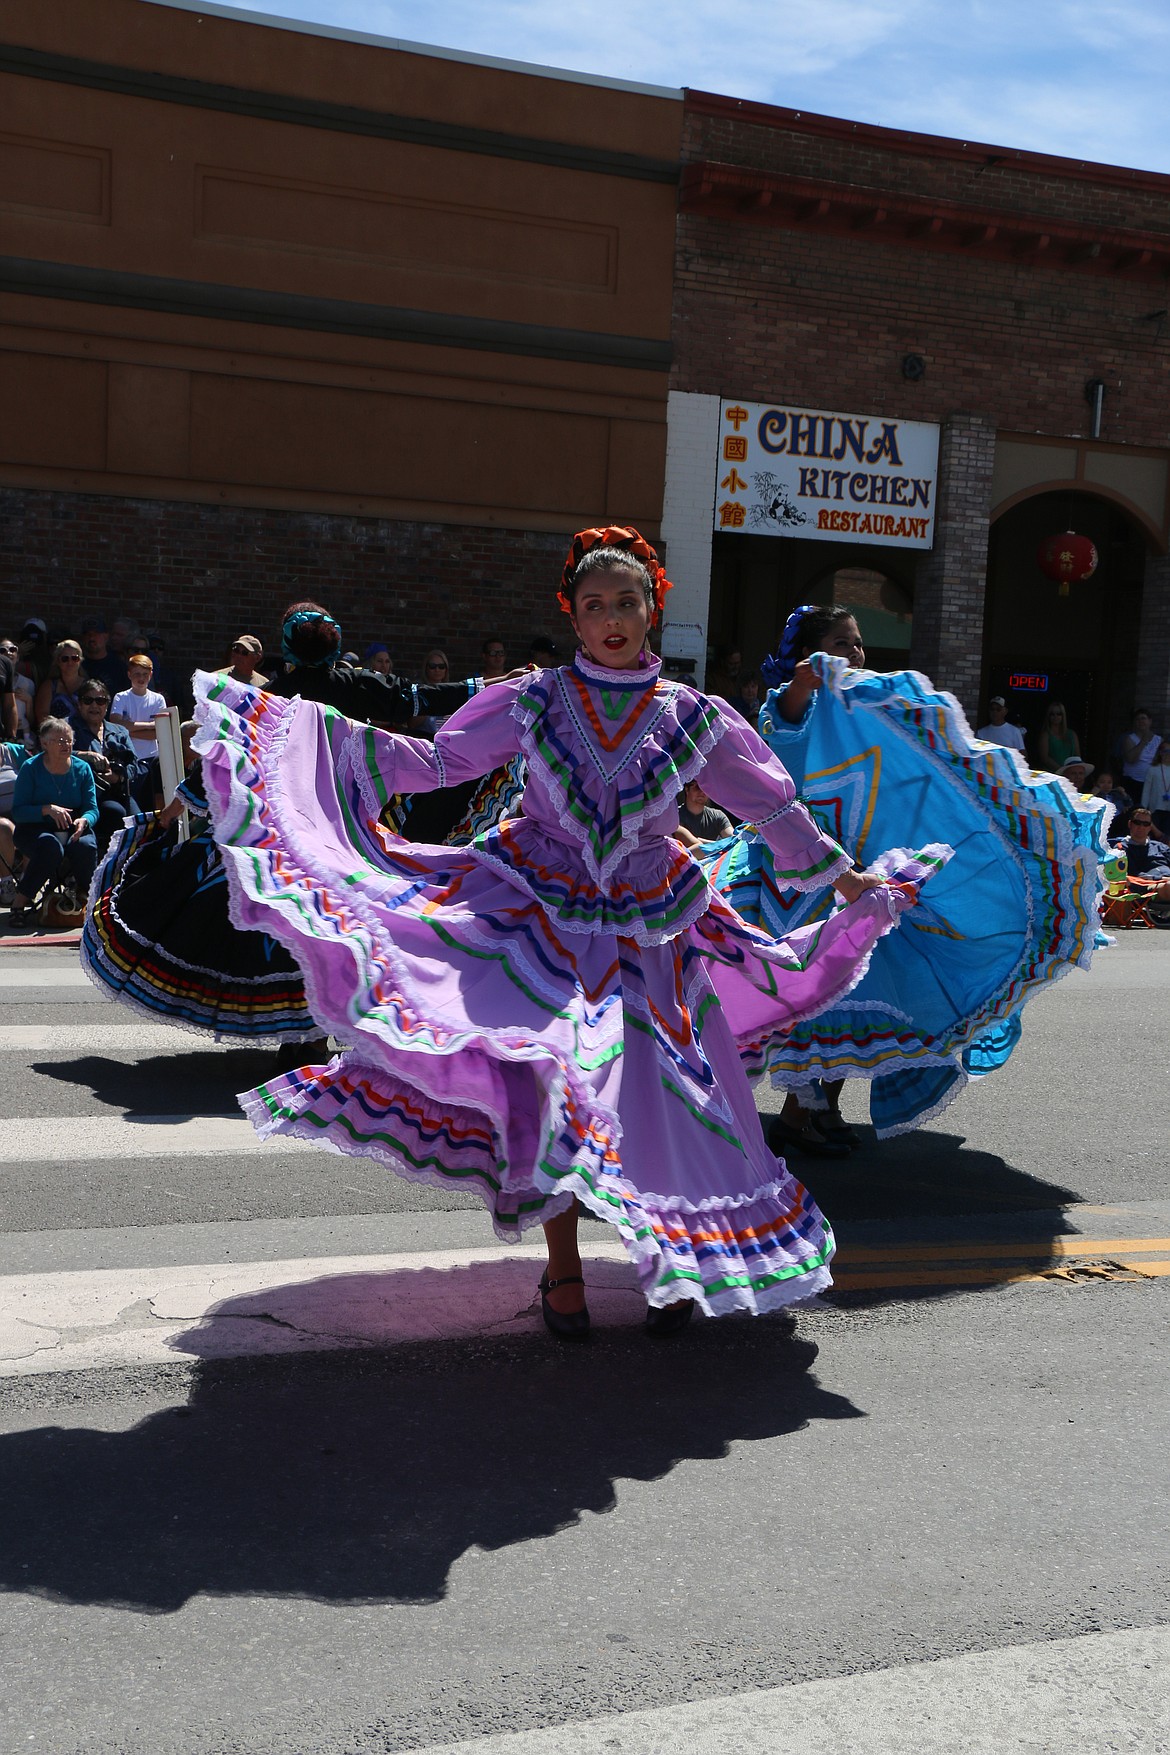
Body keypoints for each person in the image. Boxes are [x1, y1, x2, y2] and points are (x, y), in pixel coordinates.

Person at [192, 526, 920, 1337]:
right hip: (534, 914)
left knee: (663, 1105)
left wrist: (851, 882)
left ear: (653, 611)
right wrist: (293, 736)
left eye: (627, 602)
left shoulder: (692, 717)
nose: (611, 618)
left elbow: (773, 811)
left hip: (650, 936)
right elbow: (439, 762)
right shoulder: (534, 698)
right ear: (573, 617)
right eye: (594, 604)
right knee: (551, 1088)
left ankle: (671, 1263)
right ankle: (564, 1272)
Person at [698, 601, 1111, 1147]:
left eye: (858, 643)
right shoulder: (785, 706)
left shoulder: (856, 707)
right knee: (817, 992)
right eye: (844, 643)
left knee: (854, 986)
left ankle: (825, 1110)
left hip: (852, 871)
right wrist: (809, 680)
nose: (857, 654)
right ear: (807, 652)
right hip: (790, 872)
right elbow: (789, 724)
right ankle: (798, 1115)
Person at [9, 717, 99, 918]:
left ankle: (92, 902)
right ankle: (19, 902)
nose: (65, 744)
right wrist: (47, 809)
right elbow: (18, 811)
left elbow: (92, 808)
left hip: (73, 824)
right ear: (44, 743)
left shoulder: (82, 769)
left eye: (68, 740)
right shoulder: (31, 768)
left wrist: (85, 820)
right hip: (34, 825)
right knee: (50, 847)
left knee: (85, 846)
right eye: (59, 741)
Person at [70, 682, 148, 848]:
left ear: (107, 704)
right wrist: (84, 755)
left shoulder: (119, 731)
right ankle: (107, 866)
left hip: (118, 790)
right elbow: (52, 753)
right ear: (79, 704)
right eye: (88, 700)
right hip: (86, 794)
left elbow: (134, 765)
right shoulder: (68, 727)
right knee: (115, 813)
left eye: (100, 701)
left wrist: (118, 776)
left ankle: (128, 868)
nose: (94, 706)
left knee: (140, 823)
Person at [110, 656, 168, 759]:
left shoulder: (158, 699)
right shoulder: (121, 697)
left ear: (150, 675)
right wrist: (150, 725)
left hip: (152, 756)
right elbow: (116, 725)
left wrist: (127, 731)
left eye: (145, 674)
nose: (141, 678)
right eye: (137, 674)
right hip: (127, 755)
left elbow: (159, 732)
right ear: (129, 675)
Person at [33, 639, 89, 728]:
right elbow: (42, 716)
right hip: (56, 734)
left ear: (80, 660)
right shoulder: (49, 686)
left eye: (75, 658)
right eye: (65, 659)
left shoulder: (88, 686)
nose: (70, 662)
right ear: (58, 661)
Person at [79, 617, 129, 696]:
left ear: (106, 636)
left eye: (96, 634)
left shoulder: (118, 667)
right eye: (88, 634)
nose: (91, 638)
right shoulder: (76, 664)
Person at [1121, 709, 1160, 805]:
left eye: (1143, 718)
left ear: (1150, 721)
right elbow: (1131, 759)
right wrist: (1143, 741)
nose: (1141, 721)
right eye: (1138, 719)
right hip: (1132, 781)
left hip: (1151, 782)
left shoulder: (1159, 740)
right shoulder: (1129, 739)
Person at [1037, 700, 1081, 772]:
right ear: (1048, 716)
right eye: (1052, 714)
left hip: (1070, 774)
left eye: (1059, 714)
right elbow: (1045, 758)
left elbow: (1077, 757)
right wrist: (1061, 771)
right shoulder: (1045, 735)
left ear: (1063, 715)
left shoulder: (1072, 734)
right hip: (1051, 774)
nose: (1055, 717)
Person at [1140, 737, 1170, 835]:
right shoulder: (1153, 769)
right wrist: (1143, 807)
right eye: (1165, 751)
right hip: (1155, 808)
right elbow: (1147, 790)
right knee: (1154, 834)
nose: (1167, 754)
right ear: (1160, 753)